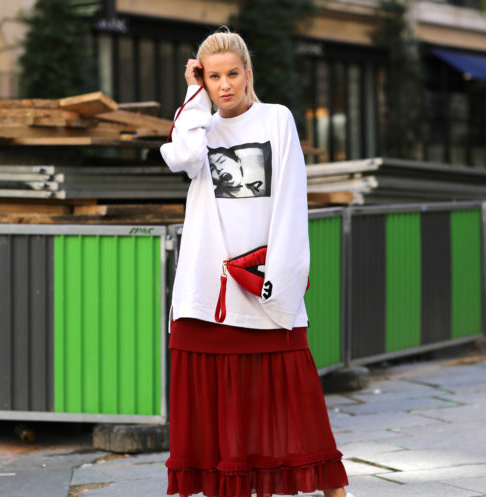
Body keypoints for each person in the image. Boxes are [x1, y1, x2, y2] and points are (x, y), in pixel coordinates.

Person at [159, 28, 353, 497]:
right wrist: (192, 97)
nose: (223, 85)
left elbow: (290, 198)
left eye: (232, 74)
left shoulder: (276, 119)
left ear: (248, 74)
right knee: (213, 404)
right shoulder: (199, 125)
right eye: (212, 77)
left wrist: (281, 278)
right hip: (208, 287)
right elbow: (181, 157)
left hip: (263, 277)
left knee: (295, 393)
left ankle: (335, 490)